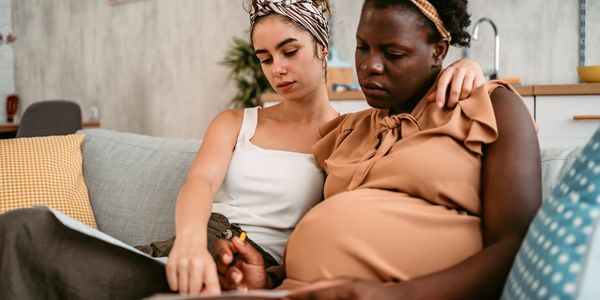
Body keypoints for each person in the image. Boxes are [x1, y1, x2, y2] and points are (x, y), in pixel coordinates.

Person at [0, 0, 485, 298]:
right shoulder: (236, 120)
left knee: (28, 240)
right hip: (192, 245)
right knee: (25, 229)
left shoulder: (356, 132)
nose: (277, 69)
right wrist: (188, 240)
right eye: (265, 57)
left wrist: (467, 69)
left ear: (322, 47)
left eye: (290, 51)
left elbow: (415, 119)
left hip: (246, 267)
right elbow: (201, 181)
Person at [213, 0, 541, 299]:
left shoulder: (493, 108)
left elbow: (517, 245)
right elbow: (333, 234)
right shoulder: (350, 130)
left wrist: (390, 296)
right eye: (362, 47)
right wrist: (267, 278)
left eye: (393, 53)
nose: (370, 66)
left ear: (439, 51)